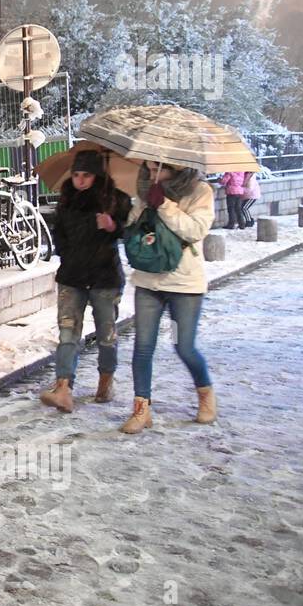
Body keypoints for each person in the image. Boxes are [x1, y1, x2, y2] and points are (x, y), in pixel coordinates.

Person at [121, 160, 217, 434]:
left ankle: (205, 395)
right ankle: (141, 409)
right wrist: (134, 213)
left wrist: (164, 204)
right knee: (142, 347)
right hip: (148, 282)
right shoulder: (146, 190)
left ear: (177, 169)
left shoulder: (200, 191)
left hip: (184, 286)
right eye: (149, 169)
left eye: (159, 169)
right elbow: (134, 228)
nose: (153, 175)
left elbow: (196, 230)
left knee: (182, 346)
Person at [40, 150, 133, 413]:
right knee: (68, 334)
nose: (80, 180)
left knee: (106, 335)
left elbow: (131, 232)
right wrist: (68, 254)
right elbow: (59, 236)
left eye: (87, 175)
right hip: (72, 277)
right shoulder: (67, 200)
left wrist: (112, 226)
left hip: (105, 279)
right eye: (77, 174)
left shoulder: (116, 200)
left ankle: (105, 381)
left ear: (98, 175)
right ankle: (63, 387)